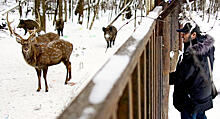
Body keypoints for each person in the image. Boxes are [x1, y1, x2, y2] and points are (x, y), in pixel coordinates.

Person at [169, 21, 215, 119]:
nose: (182, 36)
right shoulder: (206, 48)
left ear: (193, 34)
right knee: (201, 116)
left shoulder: (193, 54)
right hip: (203, 94)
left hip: (191, 99)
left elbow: (183, 76)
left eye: (185, 33)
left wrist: (166, 78)